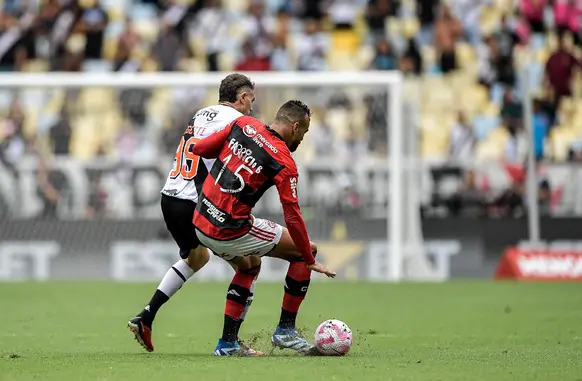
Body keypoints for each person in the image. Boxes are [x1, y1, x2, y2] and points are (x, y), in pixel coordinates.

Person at [127, 73, 260, 354]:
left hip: (170, 197)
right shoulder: (238, 122)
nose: (252, 106)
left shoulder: (201, 114)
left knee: (197, 256)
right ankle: (230, 344)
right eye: (251, 100)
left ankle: (146, 316)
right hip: (197, 204)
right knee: (250, 265)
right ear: (244, 97)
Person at [191, 100, 336, 356]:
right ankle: (286, 331)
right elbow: (293, 216)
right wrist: (310, 259)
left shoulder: (243, 124)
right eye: (304, 132)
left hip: (200, 220)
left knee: (249, 266)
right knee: (304, 251)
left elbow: (201, 148)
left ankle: (227, 344)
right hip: (229, 229)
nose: (302, 138)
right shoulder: (284, 160)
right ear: (294, 126)